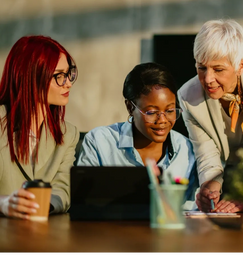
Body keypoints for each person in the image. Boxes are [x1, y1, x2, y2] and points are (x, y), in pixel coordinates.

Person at [177, 18, 243, 213]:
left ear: (241, 66)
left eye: (218, 69)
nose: (208, 79)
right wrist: (209, 187)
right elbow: (205, 152)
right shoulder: (187, 97)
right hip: (224, 176)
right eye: (201, 67)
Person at [0, 35, 79, 219]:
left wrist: (38, 207)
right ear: (31, 77)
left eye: (69, 74)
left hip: (43, 234)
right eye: (59, 76)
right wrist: (1, 203)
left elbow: (63, 190)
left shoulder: (68, 134)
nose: (68, 83)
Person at [76, 62, 196, 207]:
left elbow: (192, 208)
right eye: (151, 112)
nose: (162, 120)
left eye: (170, 111)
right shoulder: (99, 142)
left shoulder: (186, 149)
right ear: (130, 107)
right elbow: (83, 203)